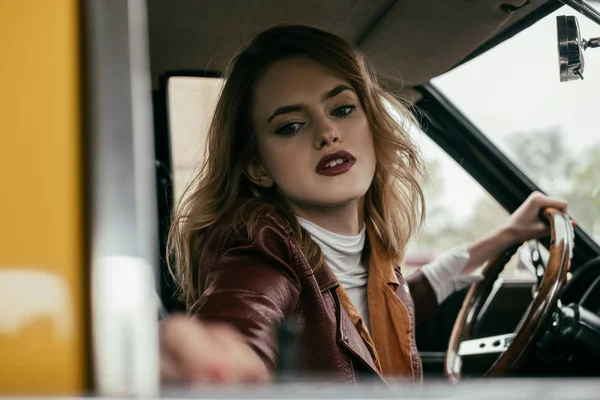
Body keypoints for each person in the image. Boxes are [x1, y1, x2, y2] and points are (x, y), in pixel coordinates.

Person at [159, 24, 568, 385]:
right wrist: (221, 356)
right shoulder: (260, 249)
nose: (328, 132)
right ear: (258, 167)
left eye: (342, 109)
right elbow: (245, 312)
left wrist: (508, 235)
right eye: (291, 126)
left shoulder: (367, 252)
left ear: (370, 122)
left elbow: (402, 299)